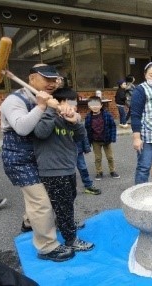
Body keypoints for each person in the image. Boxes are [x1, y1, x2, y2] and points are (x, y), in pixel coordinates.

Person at [0, 63, 74, 262]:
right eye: (46, 79)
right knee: (41, 202)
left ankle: (28, 222)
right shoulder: (13, 101)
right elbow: (22, 128)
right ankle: (47, 247)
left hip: (42, 157)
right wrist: (41, 106)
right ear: (32, 79)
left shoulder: (50, 98)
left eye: (54, 79)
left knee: (39, 197)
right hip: (19, 160)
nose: (51, 83)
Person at [33, 87, 94, 252]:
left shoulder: (69, 119)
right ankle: (71, 239)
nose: (74, 107)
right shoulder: (45, 116)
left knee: (68, 200)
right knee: (63, 205)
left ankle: (65, 226)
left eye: (75, 104)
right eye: (70, 103)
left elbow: (81, 137)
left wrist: (75, 122)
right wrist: (51, 110)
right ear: (57, 103)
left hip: (68, 168)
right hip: (53, 171)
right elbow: (40, 133)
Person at [66, 96, 102, 195]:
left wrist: (86, 147)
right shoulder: (59, 118)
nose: (72, 109)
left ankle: (88, 186)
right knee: (68, 170)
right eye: (69, 106)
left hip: (78, 149)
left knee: (82, 167)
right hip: (64, 151)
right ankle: (68, 189)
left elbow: (83, 134)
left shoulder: (77, 117)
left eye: (74, 106)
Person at [85, 97, 120, 180]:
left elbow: (113, 126)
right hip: (95, 141)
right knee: (97, 158)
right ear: (89, 106)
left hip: (106, 139)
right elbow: (86, 130)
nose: (95, 107)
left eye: (97, 105)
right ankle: (99, 172)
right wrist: (87, 141)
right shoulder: (88, 117)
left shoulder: (107, 115)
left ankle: (112, 171)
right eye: (92, 105)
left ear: (101, 105)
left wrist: (112, 138)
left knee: (110, 157)